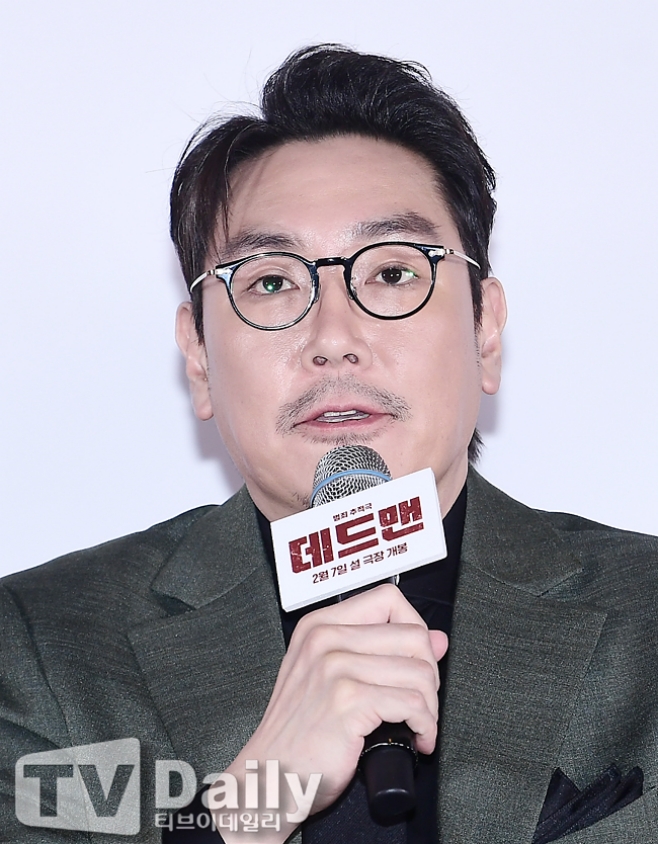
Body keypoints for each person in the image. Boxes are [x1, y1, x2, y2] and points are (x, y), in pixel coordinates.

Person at [1, 44, 656, 844]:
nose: (335, 338)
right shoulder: (36, 648)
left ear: (485, 329)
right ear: (199, 357)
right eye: (273, 282)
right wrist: (254, 803)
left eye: (393, 273)